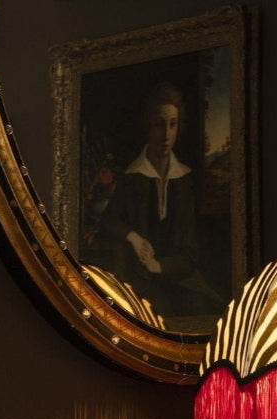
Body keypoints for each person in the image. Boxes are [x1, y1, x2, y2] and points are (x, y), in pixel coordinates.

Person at [96, 82, 224, 319]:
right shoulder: (133, 177)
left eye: (172, 125)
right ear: (148, 127)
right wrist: (133, 237)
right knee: (154, 315)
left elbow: (190, 253)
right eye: (159, 125)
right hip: (142, 281)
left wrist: (160, 266)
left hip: (181, 278)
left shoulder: (184, 179)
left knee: (203, 310)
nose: (166, 135)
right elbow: (108, 222)